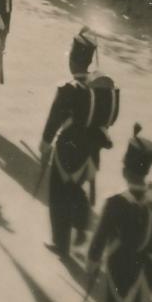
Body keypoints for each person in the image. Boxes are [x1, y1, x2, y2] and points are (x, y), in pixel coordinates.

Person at [86, 124, 152, 302]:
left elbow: (99, 238)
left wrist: (92, 264)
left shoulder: (116, 202)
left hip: (120, 269)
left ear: (125, 169)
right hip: (146, 273)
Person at [39, 29, 117, 257]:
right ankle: (82, 225)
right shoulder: (101, 88)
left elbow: (54, 121)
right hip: (91, 152)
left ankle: (61, 243)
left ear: (74, 60)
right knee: (76, 189)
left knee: (58, 195)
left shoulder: (68, 89)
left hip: (67, 151)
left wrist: (44, 143)